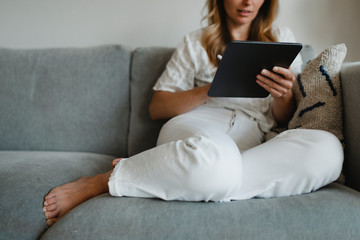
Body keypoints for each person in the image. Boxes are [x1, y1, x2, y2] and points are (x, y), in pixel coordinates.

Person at [43, 0, 343, 226]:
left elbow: (281, 118)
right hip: (198, 125)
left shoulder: (281, 36)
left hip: (252, 138)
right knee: (217, 160)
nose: (248, 2)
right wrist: (213, 87)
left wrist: (283, 93)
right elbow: (158, 106)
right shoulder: (196, 41)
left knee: (327, 150)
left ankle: (173, 170)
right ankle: (106, 180)